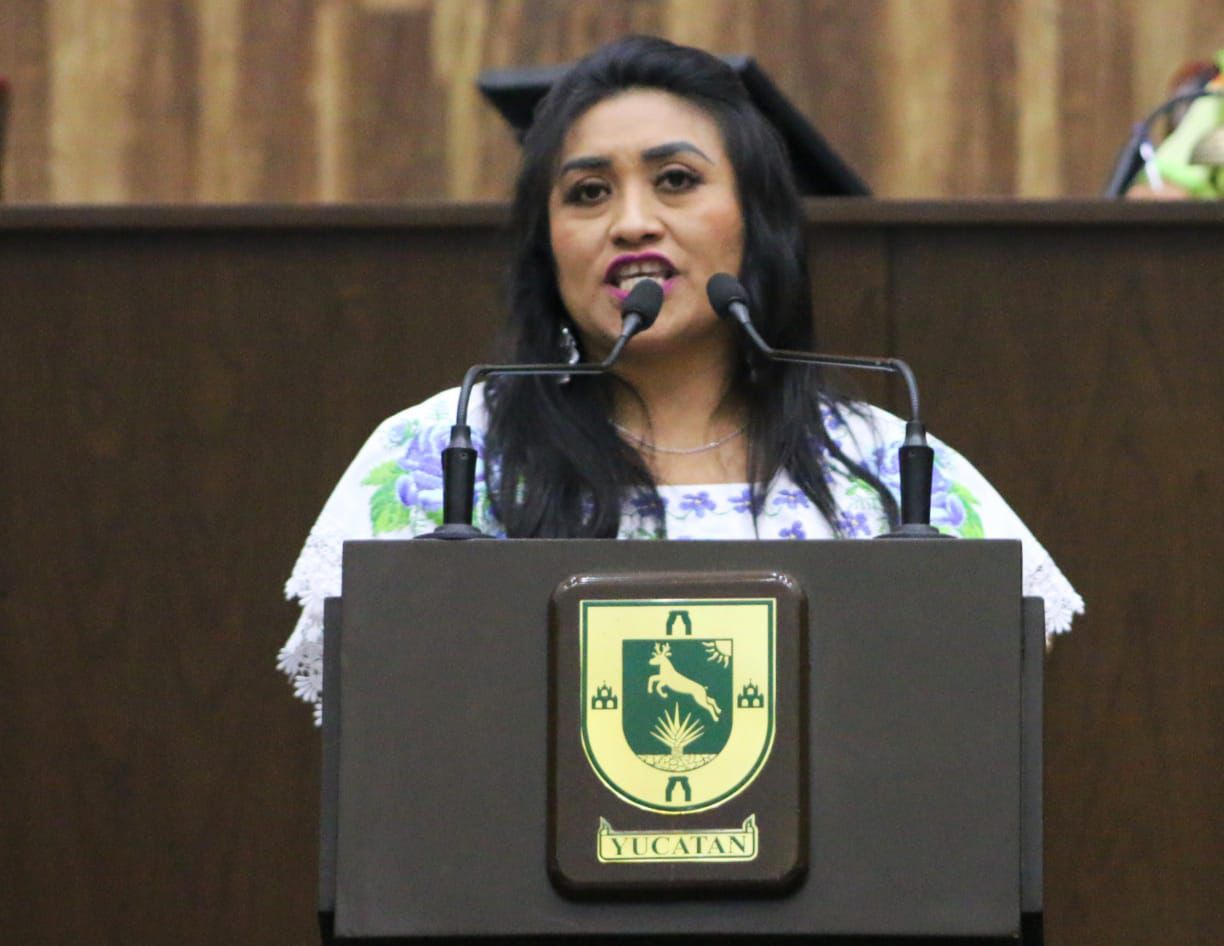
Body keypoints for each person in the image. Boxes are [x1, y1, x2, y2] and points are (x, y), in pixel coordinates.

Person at [278, 36, 1083, 723]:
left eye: (675, 180)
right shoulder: (444, 452)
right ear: (546, 244)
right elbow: (382, 718)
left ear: (756, 222)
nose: (632, 221)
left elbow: (994, 676)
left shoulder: (882, 463)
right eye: (589, 193)